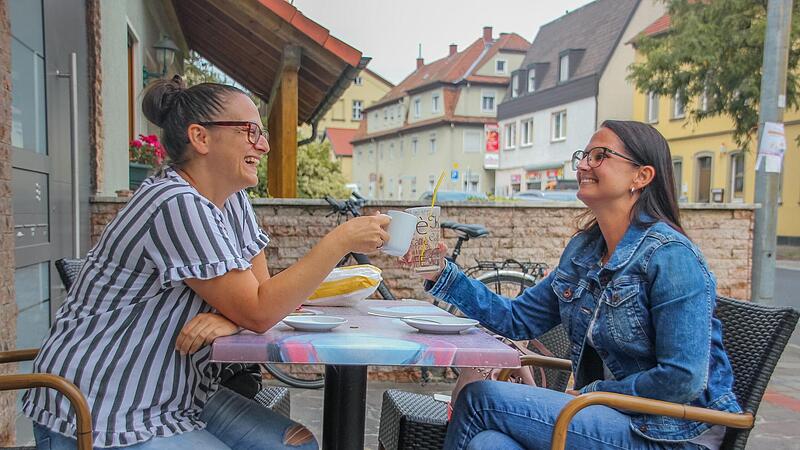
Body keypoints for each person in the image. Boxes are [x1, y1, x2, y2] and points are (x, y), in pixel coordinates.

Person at [23, 75, 390, 450]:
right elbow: (261, 310)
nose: (263, 145)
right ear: (200, 138)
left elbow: (262, 297)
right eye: (250, 131)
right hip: (102, 408)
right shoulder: (175, 202)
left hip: (177, 397)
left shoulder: (232, 200)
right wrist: (339, 241)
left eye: (261, 133)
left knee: (297, 445)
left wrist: (233, 318)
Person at [408, 120, 741, 450]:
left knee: (481, 399)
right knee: (488, 443)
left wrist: (593, 393)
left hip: (673, 432)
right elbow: (515, 319)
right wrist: (441, 272)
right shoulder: (585, 253)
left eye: (600, 156)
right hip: (604, 416)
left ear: (641, 176)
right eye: (584, 156)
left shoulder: (671, 257)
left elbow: (682, 378)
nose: (583, 165)